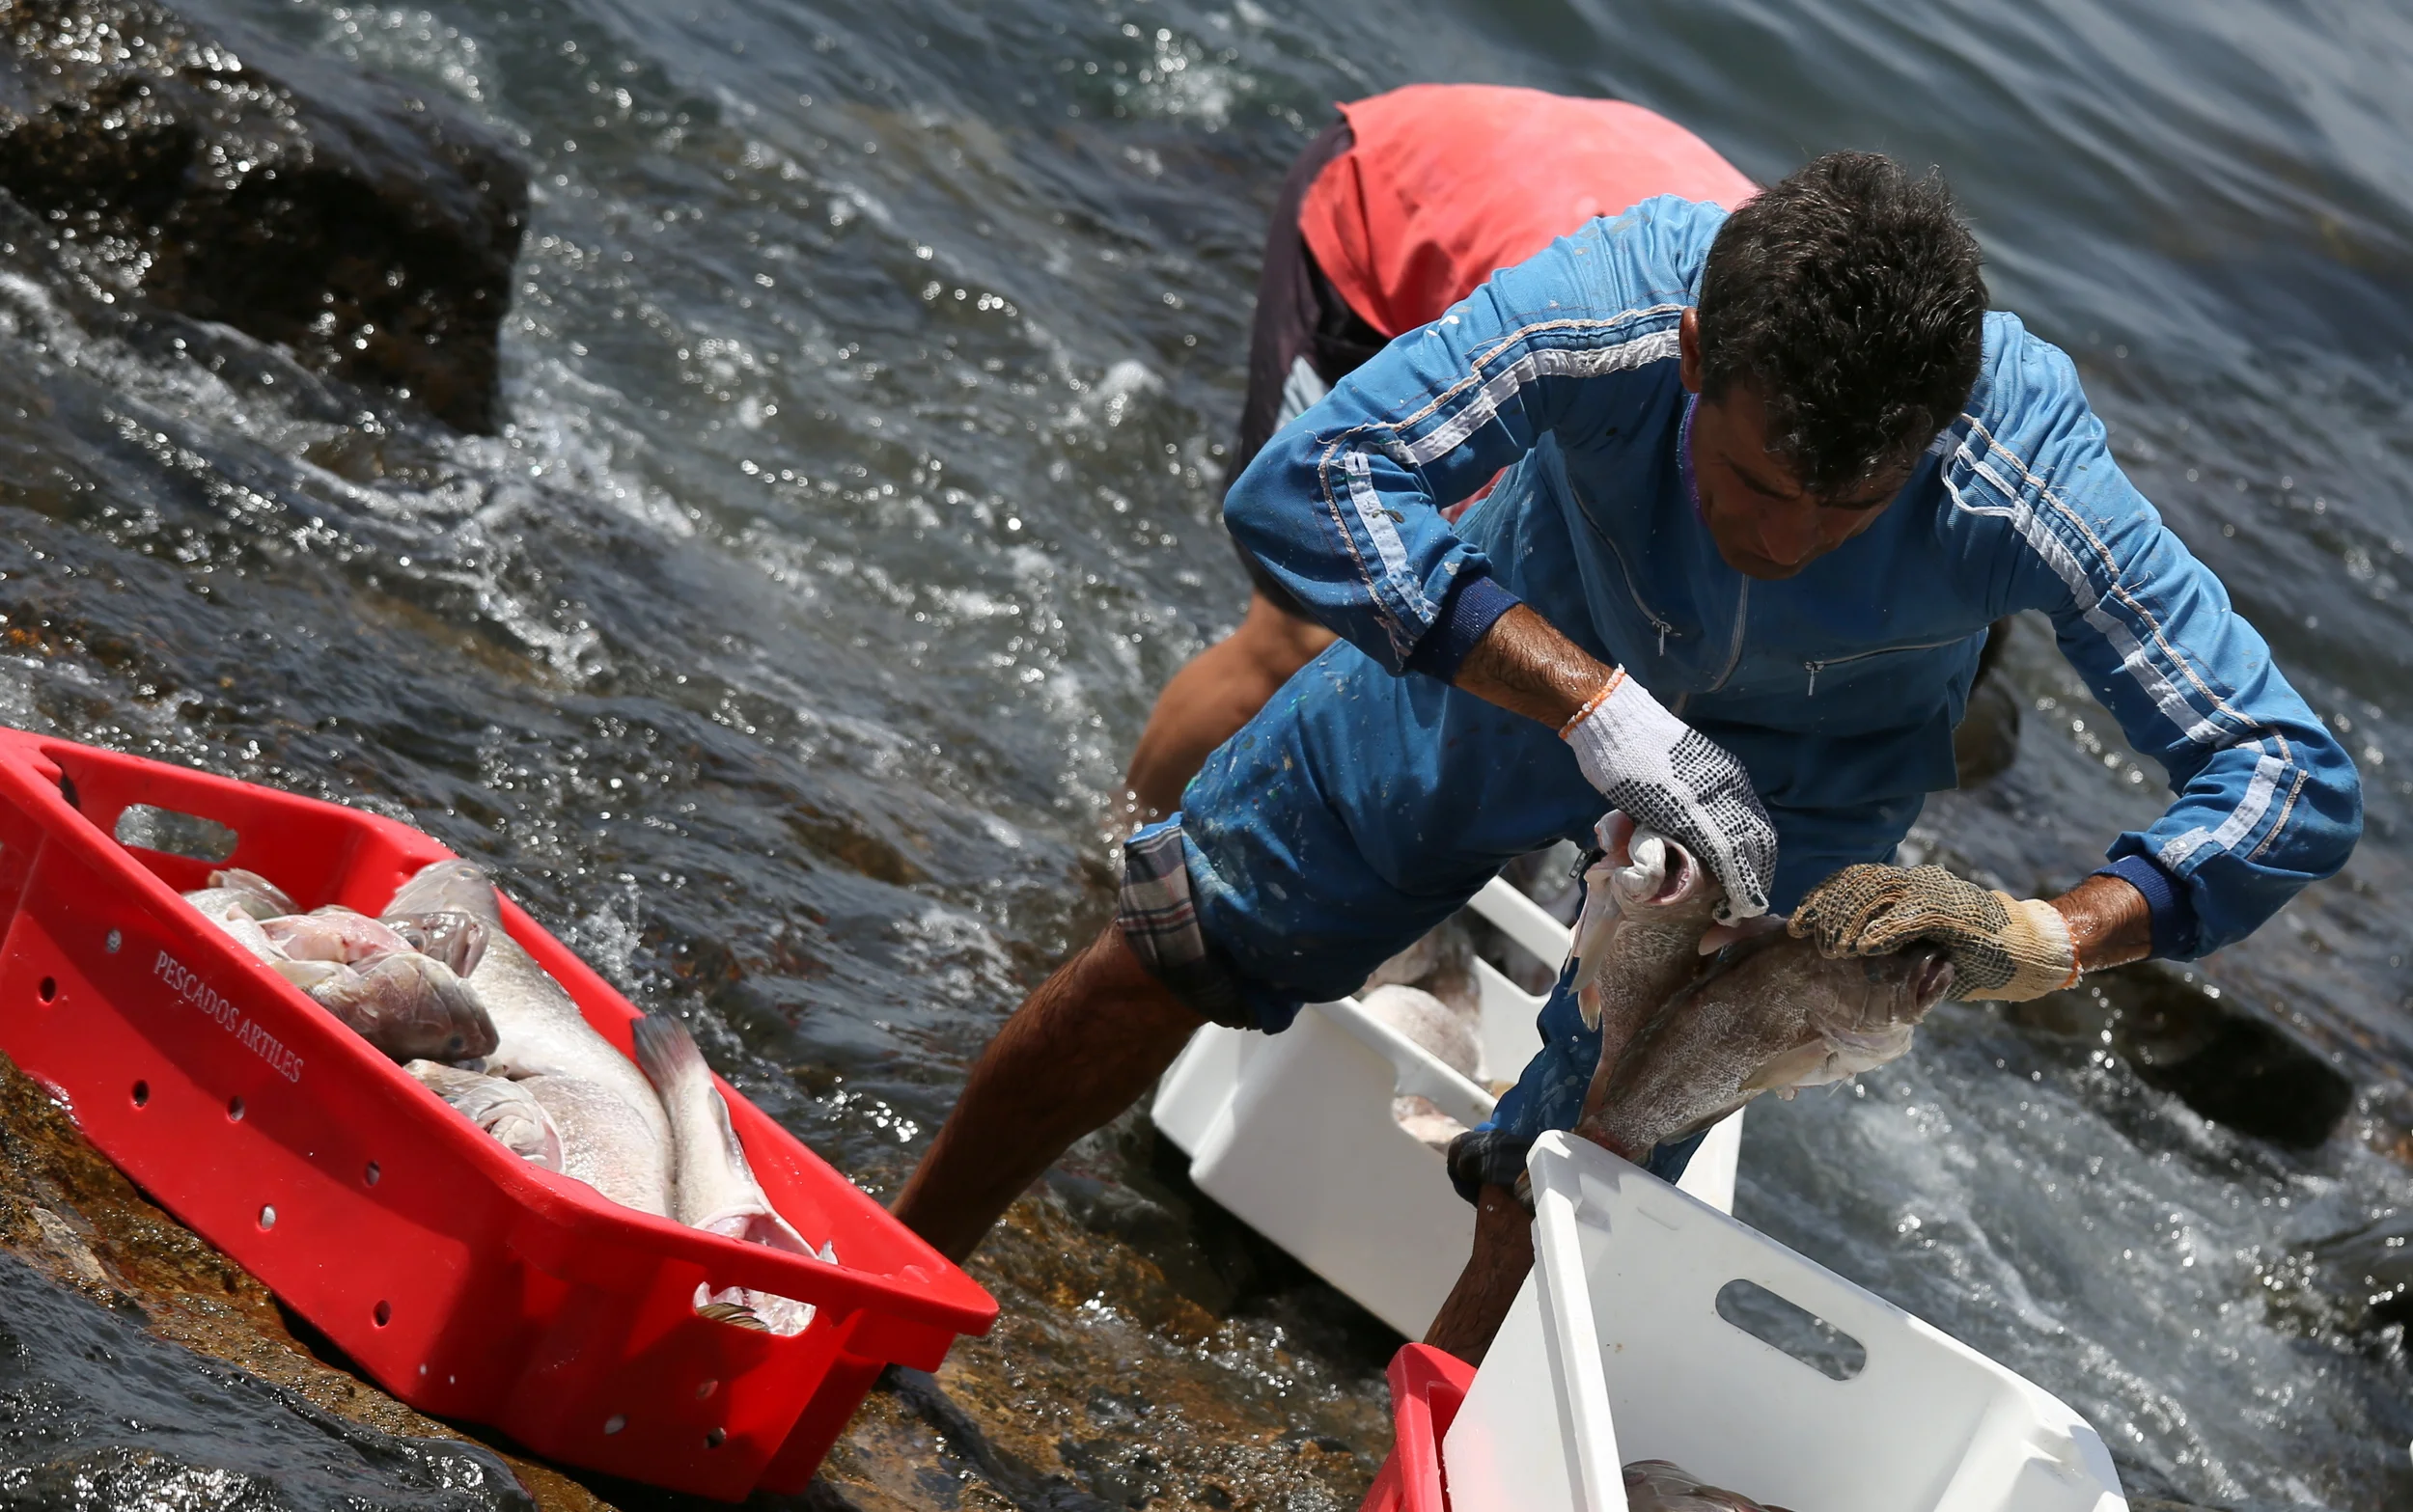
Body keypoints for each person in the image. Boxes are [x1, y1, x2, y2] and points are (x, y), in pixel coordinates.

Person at [898, 143, 2360, 1361]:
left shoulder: (2023, 465)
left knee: (1573, 1170)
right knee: (1174, 939)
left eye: (1846, 508)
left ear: (1924, 445)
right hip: (1525, 658)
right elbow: (1313, 482)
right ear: (1690, 357)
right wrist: (1597, 705)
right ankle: (887, 1283)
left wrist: (2049, 930)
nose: (1784, 543)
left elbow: (2288, 776)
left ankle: (1422, 1457)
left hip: (1803, 793)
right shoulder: (1616, 297)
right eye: (1752, 480)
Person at [1123, 86, 1758, 818]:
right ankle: (1115, 864)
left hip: (1591, 167)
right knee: (1298, 634)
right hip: (1393, 197)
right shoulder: (1603, 364)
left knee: (1543, 678)